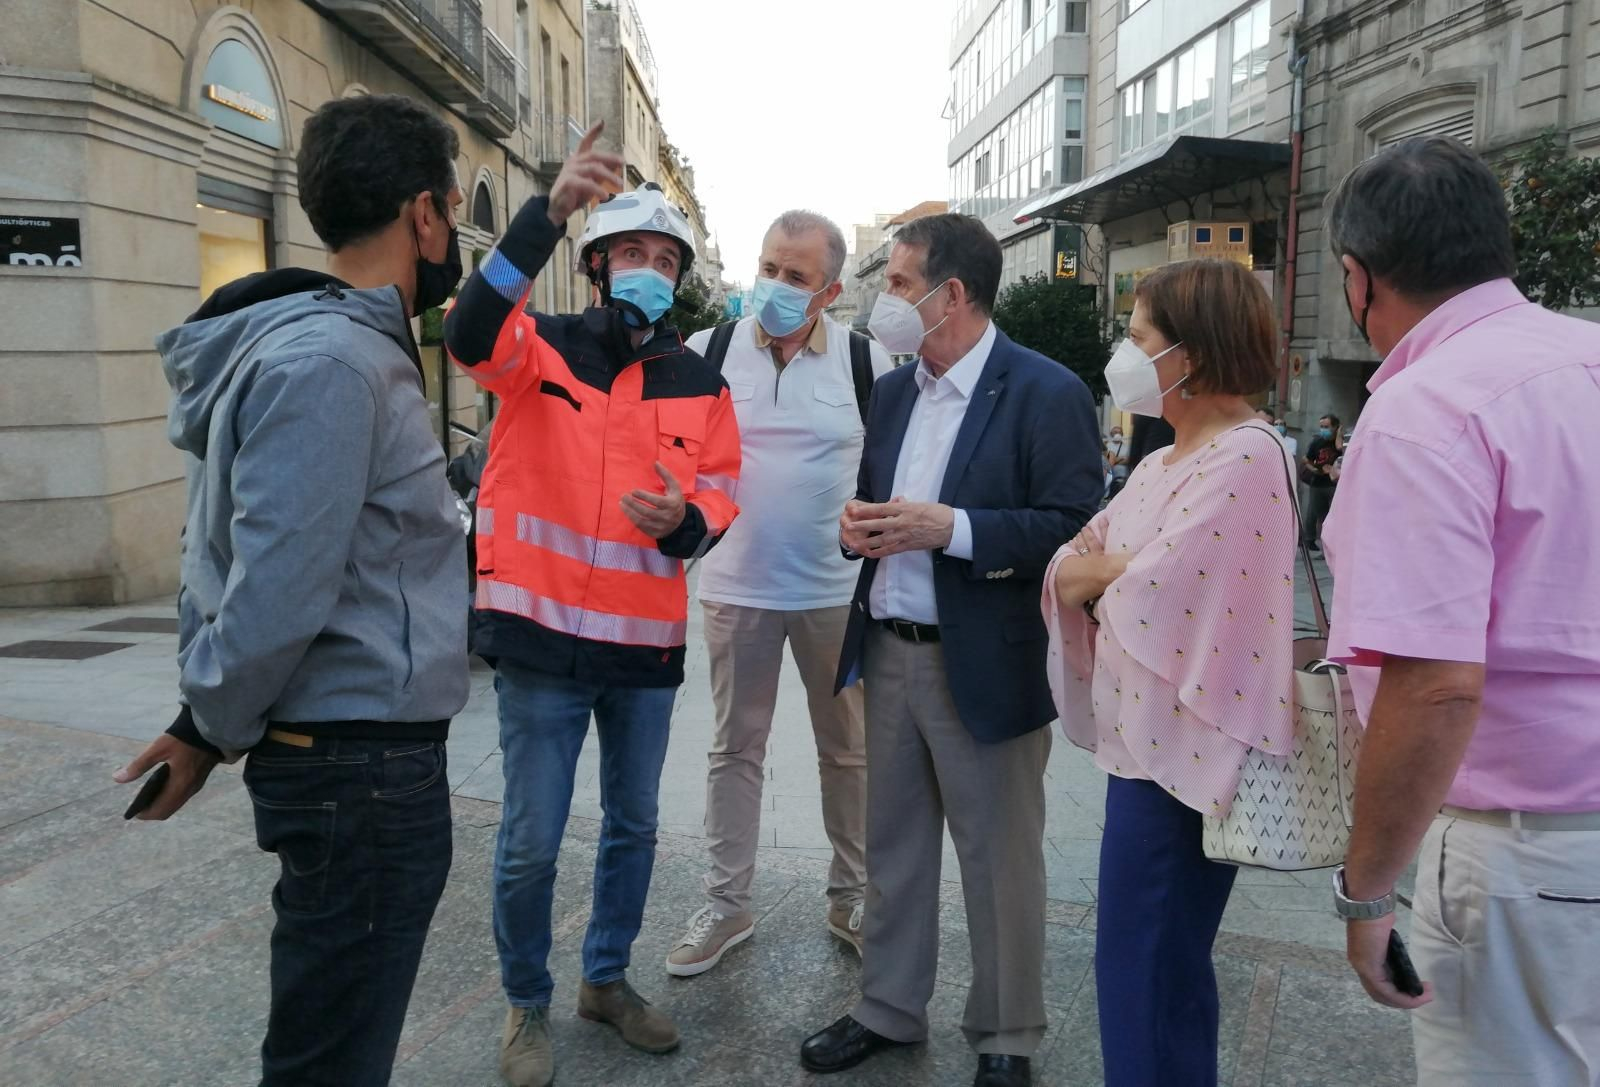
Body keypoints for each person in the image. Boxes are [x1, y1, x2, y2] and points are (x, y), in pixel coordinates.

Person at [114, 94, 471, 1086]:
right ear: (426, 213)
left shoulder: (335, 345)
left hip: (356, 757)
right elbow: (279, 582)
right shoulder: (334, 361)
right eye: (452, 209)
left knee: (331, 1040)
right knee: (329, 1059)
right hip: (359, 771)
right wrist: (208, 722)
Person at [442, 126, 741, 1087]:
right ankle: (526, 1003)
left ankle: (604, 981)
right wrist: (548, 211)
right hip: (537, 652)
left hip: (642, 652)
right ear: (600, 265)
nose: (651, 270)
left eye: (667, 259)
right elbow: (469, 334)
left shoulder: (702, 383)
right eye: (635, 255)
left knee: (635, 827)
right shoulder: (542, 352)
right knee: (530, 841)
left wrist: (685, 518)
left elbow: (725, 491)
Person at [1320, 136, 1600, 1086]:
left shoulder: (1426, 407)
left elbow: (1435, 684)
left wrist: (1366, 894)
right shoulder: (1588, 357)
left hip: (1529, 852)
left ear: (1359, 279)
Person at [798, 213, 1103, 1087]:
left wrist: (954, 528)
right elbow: (874, 503)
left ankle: (1008, 1032)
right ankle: (887, 1007)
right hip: (889, 650)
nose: (882, 301)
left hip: (987, 661)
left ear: (951, 295)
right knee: (890, 847)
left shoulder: (1046, 391)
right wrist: (859, 530)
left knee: (999, 858)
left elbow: (1073, 529)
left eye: (896, 284)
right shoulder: (893, 392)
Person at [1042, 260, 1296, 1087]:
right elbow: (1068, 569)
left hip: (1188, 760)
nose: (1126, 353)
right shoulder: (1159, 464)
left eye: (1140, 336)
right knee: (1149, 969)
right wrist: (1115, 567)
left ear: (1190, 354)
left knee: (1149, 969)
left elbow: (1156, 591)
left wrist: (1110, 570)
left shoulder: (1248, 455)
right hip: (1141, 750)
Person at [666, 212, 891, 977]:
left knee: (849, 751)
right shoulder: (710, 350)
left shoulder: (866, 362)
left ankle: (852, 895)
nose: (776, 286)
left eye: (796, 277)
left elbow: (893, 470)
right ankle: (727, 903)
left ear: (830, 290)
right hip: (736, 587)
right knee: (734, 748)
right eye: (770, 267)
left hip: (834, 590)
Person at [1299, 412, 1342, 550]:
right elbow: (1306, 459)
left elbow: (1341, 449)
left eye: (1327, 426)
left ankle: (1335, 548)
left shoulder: (1340, 442)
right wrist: (1315, 470)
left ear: (1335, 427)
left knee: (1336, 518)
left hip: (1334, 486)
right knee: (1322, 518)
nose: (1323, 429)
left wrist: (1339, 434)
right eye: (1321, 426)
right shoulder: (1317, 442)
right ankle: (1325, 549)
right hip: (1318, 485)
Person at [1104, 424, 1131, 497]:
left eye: (1119, 432)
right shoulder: (1107, 445)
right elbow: (1105, 459)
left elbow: (1127, 460)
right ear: (1111, 434)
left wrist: (1114, 460)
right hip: (1107, 468)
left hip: (1120, 468)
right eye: (1115, 432)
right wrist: (1119, 458)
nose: (1117, 434)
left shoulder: (1126, 447)